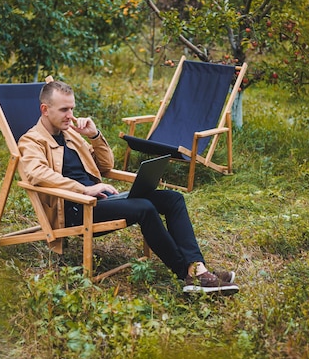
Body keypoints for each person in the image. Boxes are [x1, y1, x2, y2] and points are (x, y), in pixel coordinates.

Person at [17, 80, 239, 295]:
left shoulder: (72, 135)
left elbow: (105, 166)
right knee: (144, 207)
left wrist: (94, 136)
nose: (71, 115)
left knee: (173, 199)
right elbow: (36, 174)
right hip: (77, 210)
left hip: (101, 201)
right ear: (45, 109)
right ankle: (187, 274)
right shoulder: (32, 140)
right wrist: (84, 190)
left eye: (72, 108)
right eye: (64, 109)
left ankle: (198, 268)